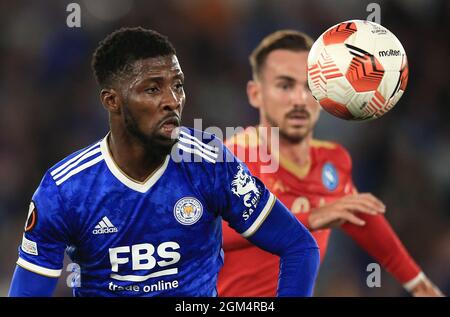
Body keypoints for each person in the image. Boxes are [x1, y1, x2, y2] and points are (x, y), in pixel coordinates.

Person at [8, 27, 320, 297]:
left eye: (178, 84)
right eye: (153, 88)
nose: (172, 100)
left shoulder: (209, 162)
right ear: (111, 101)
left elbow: (299, 247)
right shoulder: (66, 189)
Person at [217, 30, 443, 297]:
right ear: (256, 94)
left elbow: (360, 218)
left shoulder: (333, 160)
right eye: (285, 86)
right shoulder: (233, 159)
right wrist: (312, 217)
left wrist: (418, 283)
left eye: (310, 86)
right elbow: (212, 234)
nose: (299, 99)